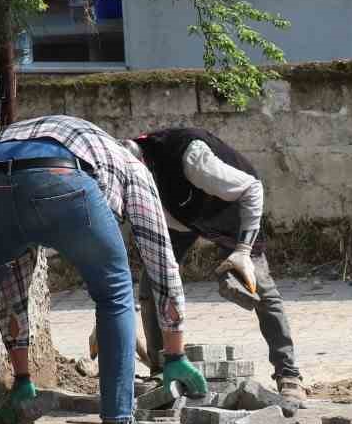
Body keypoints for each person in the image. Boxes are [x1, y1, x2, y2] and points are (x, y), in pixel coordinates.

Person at [0, 115, 208, 424]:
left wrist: (22, 378)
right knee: (115, 293)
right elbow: (161, 261)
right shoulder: (133, 166)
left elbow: (15, 275)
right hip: (61, 178)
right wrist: (175, 353)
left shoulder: (39, 133)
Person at [125, 128, 306, 404]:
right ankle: (162, 373)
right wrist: (107, 315)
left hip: (229, 207)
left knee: (261, 289)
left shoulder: (190, 158)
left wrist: (243, 251)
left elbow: (252, 189)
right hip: (178, 217)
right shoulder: (122, 176)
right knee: (151, 287)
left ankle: (289, 375)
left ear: (145, 165)